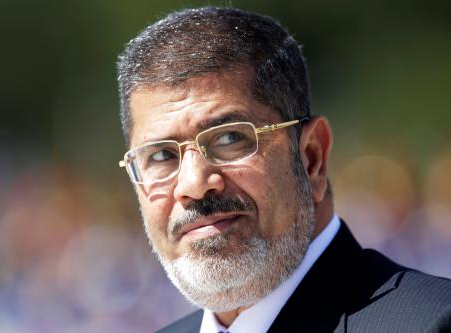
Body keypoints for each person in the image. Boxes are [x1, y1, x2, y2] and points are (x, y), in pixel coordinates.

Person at [116, 7, 451, 333]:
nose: (194, 184)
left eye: (230, 138)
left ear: (311, 157)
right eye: (161, 156)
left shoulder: (429, 322)